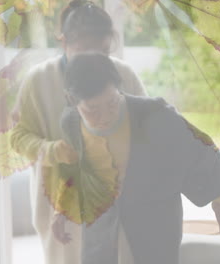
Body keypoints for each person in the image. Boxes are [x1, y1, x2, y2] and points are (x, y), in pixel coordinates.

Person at [59, 53, 220, 264]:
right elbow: (75, 171)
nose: (105, 117)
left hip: (154, 223)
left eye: (112, 103)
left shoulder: (154, 114)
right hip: (101, 226)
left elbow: (201, 147)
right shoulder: (70, 123)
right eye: (93, 110)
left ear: (118, 88)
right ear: (71, 100)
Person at [10, 1, 147, 264]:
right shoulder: (39, 80)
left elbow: (148, 131)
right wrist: (53, 150)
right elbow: (18, 138)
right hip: (60, 207)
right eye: (85, 52)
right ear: (63, 42)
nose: (95, 61)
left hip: (119, 202)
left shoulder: (124, 75)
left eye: (104, 51)